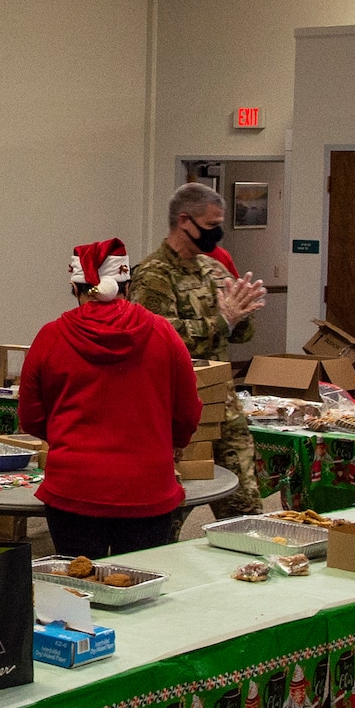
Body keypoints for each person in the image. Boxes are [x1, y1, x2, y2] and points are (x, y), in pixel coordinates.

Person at [19, 239, 201, 559]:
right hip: (148, 489)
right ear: (128, 287)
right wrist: (165, 442)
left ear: (76, 290)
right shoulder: (165, 335)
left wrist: (68, 439)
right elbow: (187, 412)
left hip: (73, 488)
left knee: (76, 594)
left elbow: (31, 416)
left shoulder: (49, 337)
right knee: (142, 595)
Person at [130, 183, 269, 520]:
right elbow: (156, 338)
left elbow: (241, 334)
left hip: (222, 403)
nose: (217, 233)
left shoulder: (214, 270)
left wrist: (243, 314)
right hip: (175, 408)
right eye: (210, 226)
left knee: (245, 503)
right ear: (184, 222)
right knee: (173, 505)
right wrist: (223, 320)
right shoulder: (154, 275)